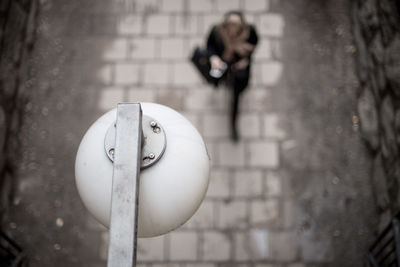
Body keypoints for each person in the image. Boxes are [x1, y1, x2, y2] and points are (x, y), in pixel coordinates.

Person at [206, 11, 258, 142]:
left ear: (241, 26)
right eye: (230, 24)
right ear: (225, 24)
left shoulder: (250, 32)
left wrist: (245, 60)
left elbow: (253, 45)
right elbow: (209, 46)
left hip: (239, 69)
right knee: (216, 78)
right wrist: (213, 58)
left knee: (236, 97)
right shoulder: (217, 31)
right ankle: (219, 82)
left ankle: (233, 125)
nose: (232, 28)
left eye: (236, 25)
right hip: (222, 64)